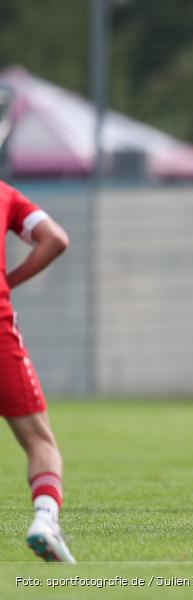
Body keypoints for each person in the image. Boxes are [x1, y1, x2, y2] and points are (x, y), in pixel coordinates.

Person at [1, 180, 75, 561]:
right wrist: (6, 282)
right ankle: (45, 521)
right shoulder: (5, 194)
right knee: (39, 441)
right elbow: (56, 239)